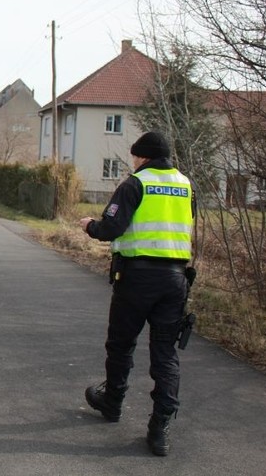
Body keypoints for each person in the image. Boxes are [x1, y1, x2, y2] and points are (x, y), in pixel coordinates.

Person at [78, 131, 194, 457]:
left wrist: (89, 225)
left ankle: (112, 401)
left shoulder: (135, 183)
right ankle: (160, 429)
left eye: (134, 157)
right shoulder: (186, 185)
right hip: (175, 279)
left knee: (121, 342)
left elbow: (111, 228)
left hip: (137, 277)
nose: (133, 162)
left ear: (142, 157)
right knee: (165, 354)